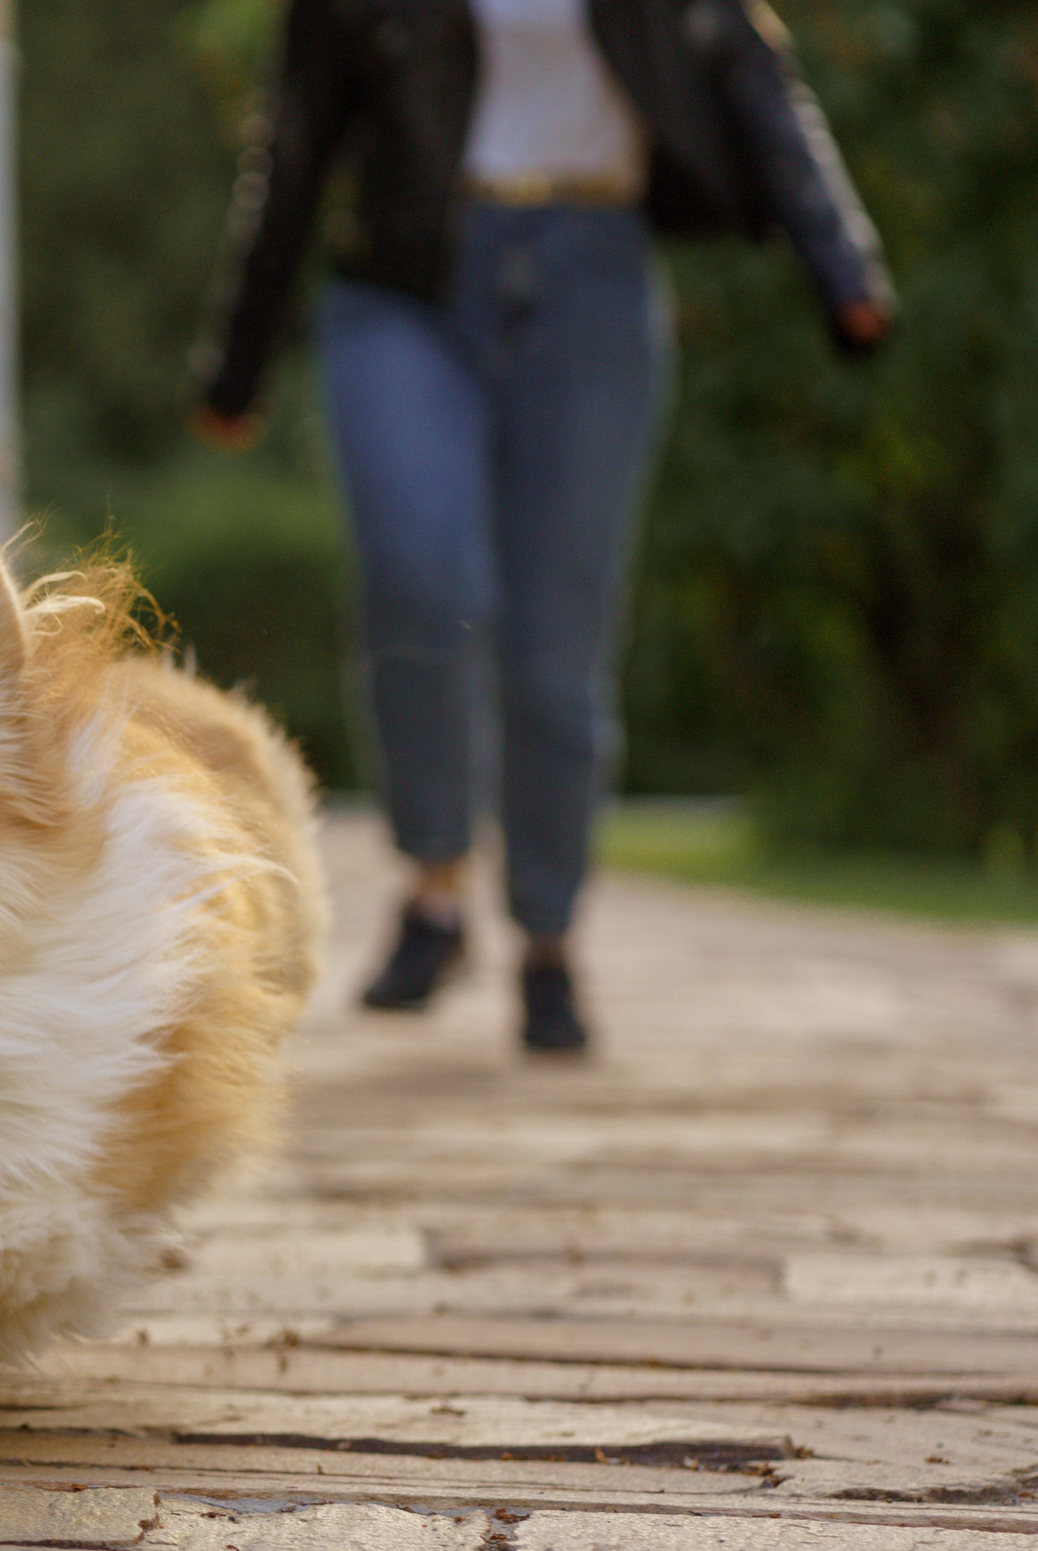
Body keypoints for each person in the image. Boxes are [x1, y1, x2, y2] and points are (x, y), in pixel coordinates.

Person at [196, 0, 892, 1052]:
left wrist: (840, 266)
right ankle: (434, 887)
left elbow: (755, 79)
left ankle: (548, 936)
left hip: (593, 278)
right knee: (420, 575)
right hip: (405, 282)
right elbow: (292, 139)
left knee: (556, 649)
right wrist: (238, 355)